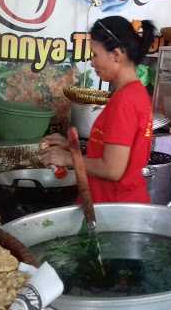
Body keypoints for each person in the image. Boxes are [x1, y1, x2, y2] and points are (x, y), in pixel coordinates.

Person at [40, 16, 156, 203]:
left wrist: (69, 158)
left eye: (95, 54)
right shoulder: (133, 93)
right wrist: (74, 148)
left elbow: (112, 169)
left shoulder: (125, 100)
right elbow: (114, 152)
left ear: (116, 55)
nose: (92, 62)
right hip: (114, 204)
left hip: (114, 208)